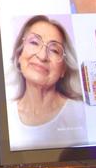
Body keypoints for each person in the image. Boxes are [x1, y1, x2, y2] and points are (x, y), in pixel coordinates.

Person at [5, 15, 86, 150]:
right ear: (19, 55)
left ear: (63, 69)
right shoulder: (5, 114)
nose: (42, 56)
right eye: (34, 43)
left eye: (54, 50)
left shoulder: (81, 112)